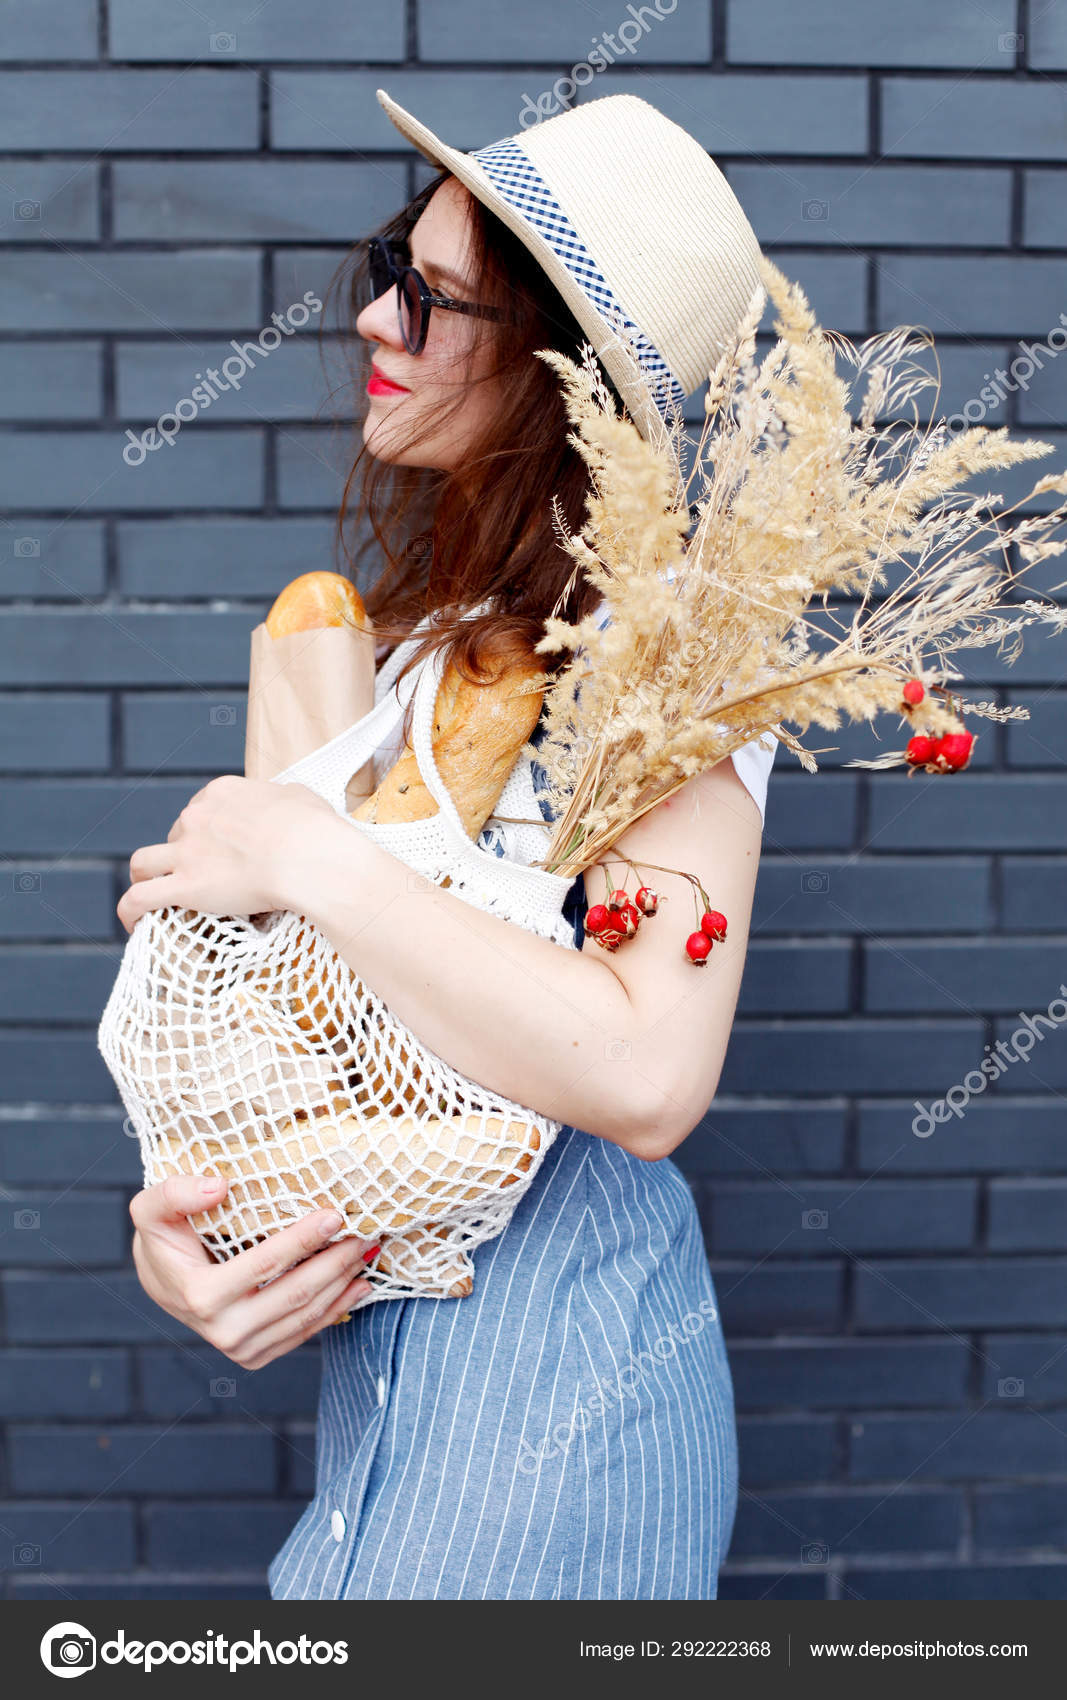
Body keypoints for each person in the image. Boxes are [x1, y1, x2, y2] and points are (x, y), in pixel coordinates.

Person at [120, 88, 777, 1600]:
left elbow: (648, 1074)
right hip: (390, 1412)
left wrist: (308, 854)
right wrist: (188, 1238)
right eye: (387, 266)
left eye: (429, 296)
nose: (372, 319)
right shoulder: (428, 647)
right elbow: (323, 1044)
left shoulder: (665, 652)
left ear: (560, 372)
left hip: (561, 1416)